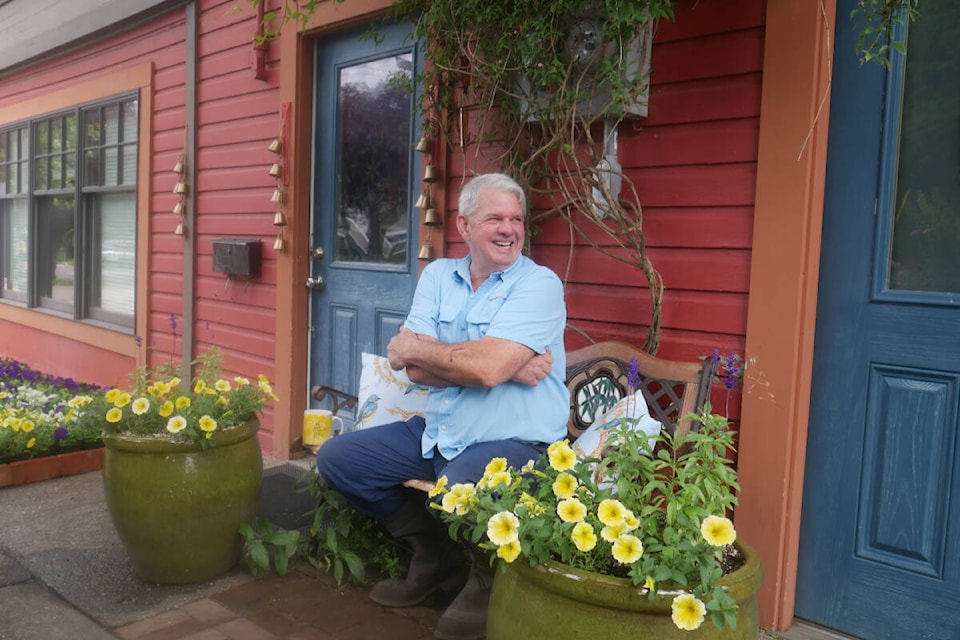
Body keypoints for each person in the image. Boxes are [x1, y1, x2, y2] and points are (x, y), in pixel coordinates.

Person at [316, 173, 568, 640]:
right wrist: (504, 364)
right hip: (443, 431)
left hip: (516, 441)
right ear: (465, 224)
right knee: (339, 459)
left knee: (459, 487)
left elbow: (469, 366)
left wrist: (482, 363)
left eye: (516, 219)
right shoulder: (437, 276)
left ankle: (485, 577)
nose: (509, 229)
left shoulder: (539, 285)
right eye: (495, 218)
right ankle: (434, 555)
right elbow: (413, 370)